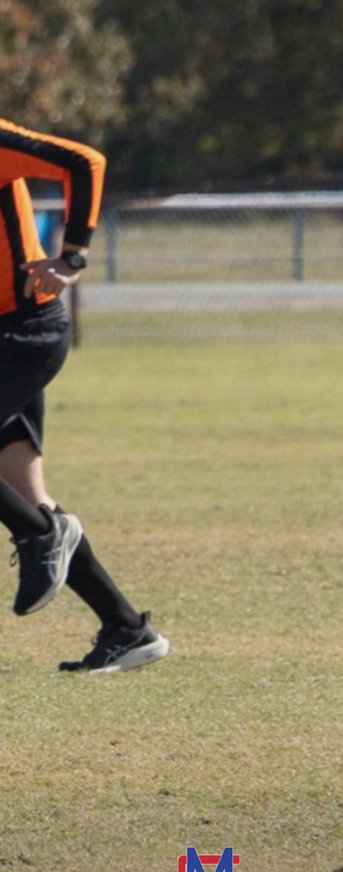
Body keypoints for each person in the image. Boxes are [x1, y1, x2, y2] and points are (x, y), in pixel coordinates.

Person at [0, 117, 168, 673]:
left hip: (23, 333)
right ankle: (126, 628)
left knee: (36, 524)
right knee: (27, 492)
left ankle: (37, 535)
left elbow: (84, 162)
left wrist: (72, 255)